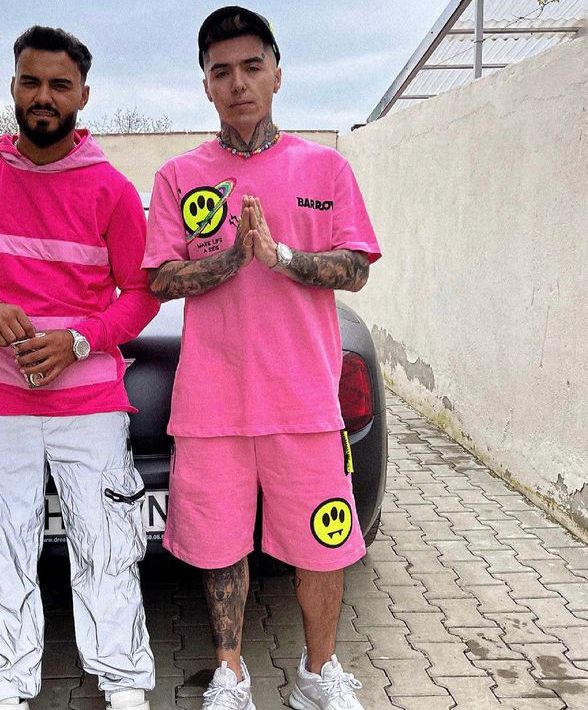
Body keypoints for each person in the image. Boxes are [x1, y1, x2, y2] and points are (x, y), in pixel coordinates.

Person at [142, 7, 381, 710]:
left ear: (277, 74)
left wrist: (282, 258)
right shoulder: (179, 177)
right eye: (221, 72)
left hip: (305, 403)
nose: (238, 83)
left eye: (252, 67)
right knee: (219, 546)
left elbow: (355, 267)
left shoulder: (325, 168)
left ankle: (318, 672)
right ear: (206, 86)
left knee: (323, 544)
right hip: (213, 405)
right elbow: (160, 278)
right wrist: (226, 262)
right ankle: (230, 674)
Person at [0, 24, 158, 710]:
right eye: (31, 82)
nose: (43, 96)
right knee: (0, 544)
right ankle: (10, 676)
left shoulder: (111, 189)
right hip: (0, 404)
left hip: (92, 405)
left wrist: (80, 341)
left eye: (59, 84)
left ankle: (122, 677)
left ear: (83, 95)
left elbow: (143, 294)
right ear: (14, 87)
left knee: (107, 542)